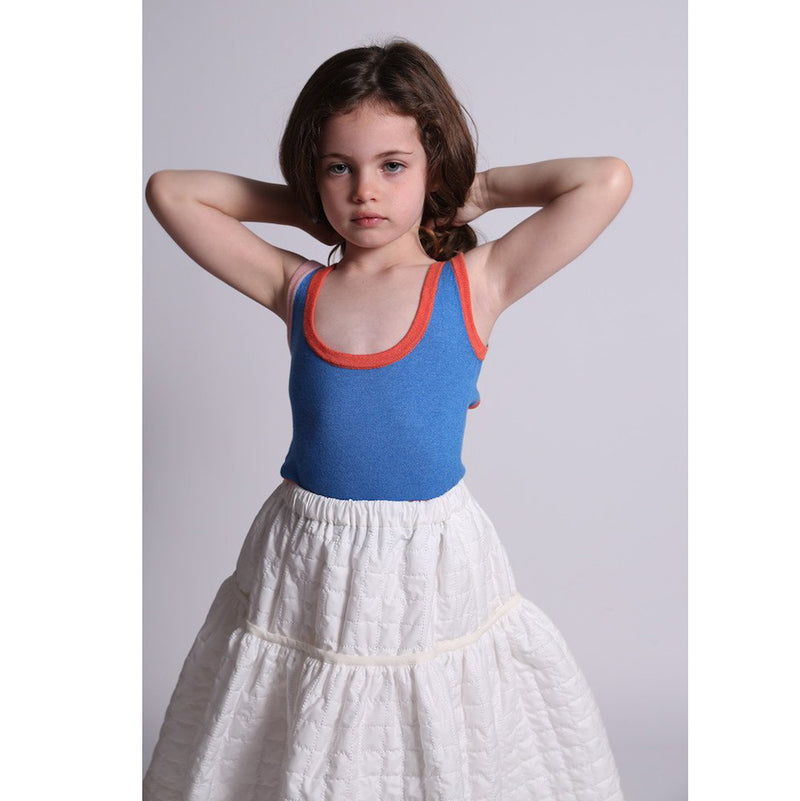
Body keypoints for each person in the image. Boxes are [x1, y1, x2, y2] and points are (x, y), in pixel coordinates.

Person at [143, 38, 633, 801]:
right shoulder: (296, 286)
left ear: (431, 167)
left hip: (428, 559)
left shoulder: (473, 284)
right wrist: (308, 206)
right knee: (308, 722)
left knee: (428, 721)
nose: (365, 190)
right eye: (340, 167)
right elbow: (171, 192)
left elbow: (604, 180)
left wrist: (476, 189)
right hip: (310, 555)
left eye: (393, 165)